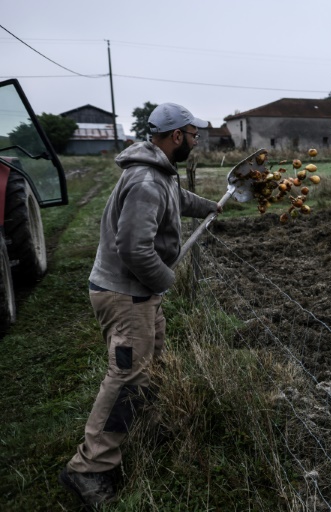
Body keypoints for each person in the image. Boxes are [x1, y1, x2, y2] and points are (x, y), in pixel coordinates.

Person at [59, 103, 221, 508]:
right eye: (192, 132)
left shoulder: (159, 171)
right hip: (126, 293)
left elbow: (176, 196)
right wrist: (167, 281)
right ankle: (89, 468)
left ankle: (141, 431)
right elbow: (132, 248)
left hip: (139, 292)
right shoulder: (147, 179)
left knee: (152, 365)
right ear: (175, 136)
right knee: (127, 376)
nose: (197, 138)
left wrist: (209, 206)